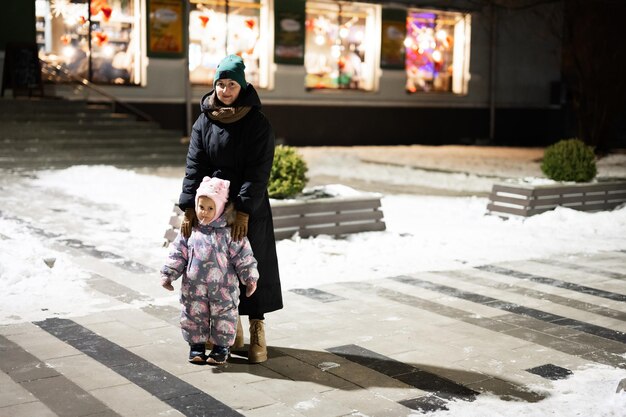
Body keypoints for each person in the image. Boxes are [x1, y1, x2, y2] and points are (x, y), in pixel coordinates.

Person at [178, 54, 282, 364]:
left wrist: (245, 209)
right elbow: (195, 164)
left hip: (248, 208)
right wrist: (188, 207)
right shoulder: (204, 120)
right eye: (220, 84)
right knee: (219, 271)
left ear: (243, 85)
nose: (225, 90)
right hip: (213, 209)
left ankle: (257, 330)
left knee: (252, 265)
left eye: (231, 84)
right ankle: (231, 330)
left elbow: (258, 170)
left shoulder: (257, 123)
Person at [161, 176, 259, 365]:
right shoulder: (191, 231)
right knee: (193, 315)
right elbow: (177, 254)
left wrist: (250, 278)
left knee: (224, 316)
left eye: (210, 208)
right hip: (194, 288)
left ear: (221, 208)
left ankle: (221, 348)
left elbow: (244, 257)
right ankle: (196, 346)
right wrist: (168, 274)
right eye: (201, 207)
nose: (204, 213)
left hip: (224, 289)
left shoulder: (229, 233)